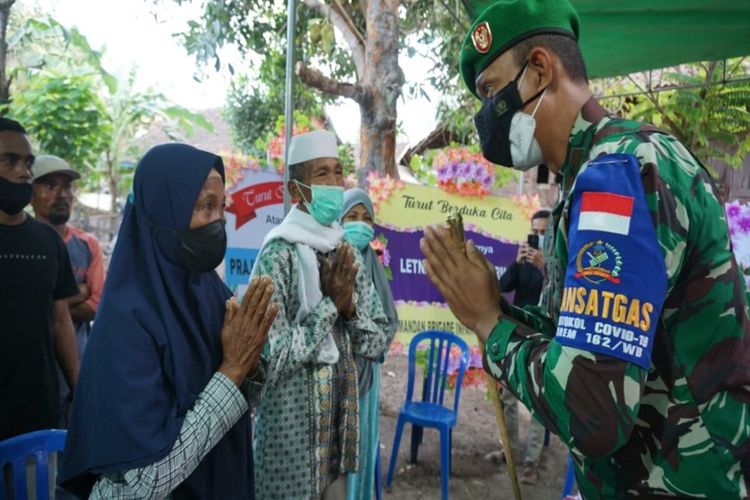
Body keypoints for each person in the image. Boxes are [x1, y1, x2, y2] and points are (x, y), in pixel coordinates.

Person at [421, 0, 750, 497]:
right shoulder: (593, 175)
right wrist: (492, 308)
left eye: (490, 91)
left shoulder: (616, 174)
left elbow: (592, 408)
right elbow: (574, 348)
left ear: (538, 70)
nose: (485, 115)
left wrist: (490, 324)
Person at [59, 144, 278, 499]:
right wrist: (233, 370)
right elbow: (143, 482)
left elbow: (240, 396)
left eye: (221, 207)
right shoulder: (128, 322)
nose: (219, 221)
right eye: (206, 205)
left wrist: (251, 364)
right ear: (166, 209)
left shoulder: (211, 291)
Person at [251, 130, 393, 499]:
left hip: (336, 436)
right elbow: (273, 356)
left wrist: (349, 308)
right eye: (321, 175)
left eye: (337, 172)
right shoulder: (277, 256)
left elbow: (377, 342)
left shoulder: (344, 251)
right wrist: (331, 305)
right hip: (289, 443)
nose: (334, 183)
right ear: (295, 191)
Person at [0, 117, 79, 444]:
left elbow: (61, 321)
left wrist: (79, 389)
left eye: (28, 163)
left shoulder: (48, 242)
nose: (23, 172)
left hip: (36, 414)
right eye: (10, 161)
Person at [31, 155, 105, 426]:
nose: (61, 194)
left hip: (77, 371)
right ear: (31, 192)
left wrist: (49, 305)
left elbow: (97, 305)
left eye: (66, 186)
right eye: (49, 185)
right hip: (32, 372)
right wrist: (78, 291)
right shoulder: (21, 243)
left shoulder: (88, 245)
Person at [340, 188, 399, 500]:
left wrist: (373, 347)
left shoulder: (374, 266)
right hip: (335, 378)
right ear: (339, 219)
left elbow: (389, 319)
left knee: (361, 450)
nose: (360, 225)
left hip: (367, 378)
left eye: (366, 219)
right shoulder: (329, 260)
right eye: (352, 216)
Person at [496, 208, 549, 484]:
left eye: (544, 232)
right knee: (507, 396)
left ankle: (532, 462)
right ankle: (510, 451)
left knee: (540, 402)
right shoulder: (525, 261)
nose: (538, 238)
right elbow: (503, 286)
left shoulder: (557, 263)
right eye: (535, 232)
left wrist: (545, 266)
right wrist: (517, 263)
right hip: (517, 333)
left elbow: (561, 294)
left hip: (544, 337)